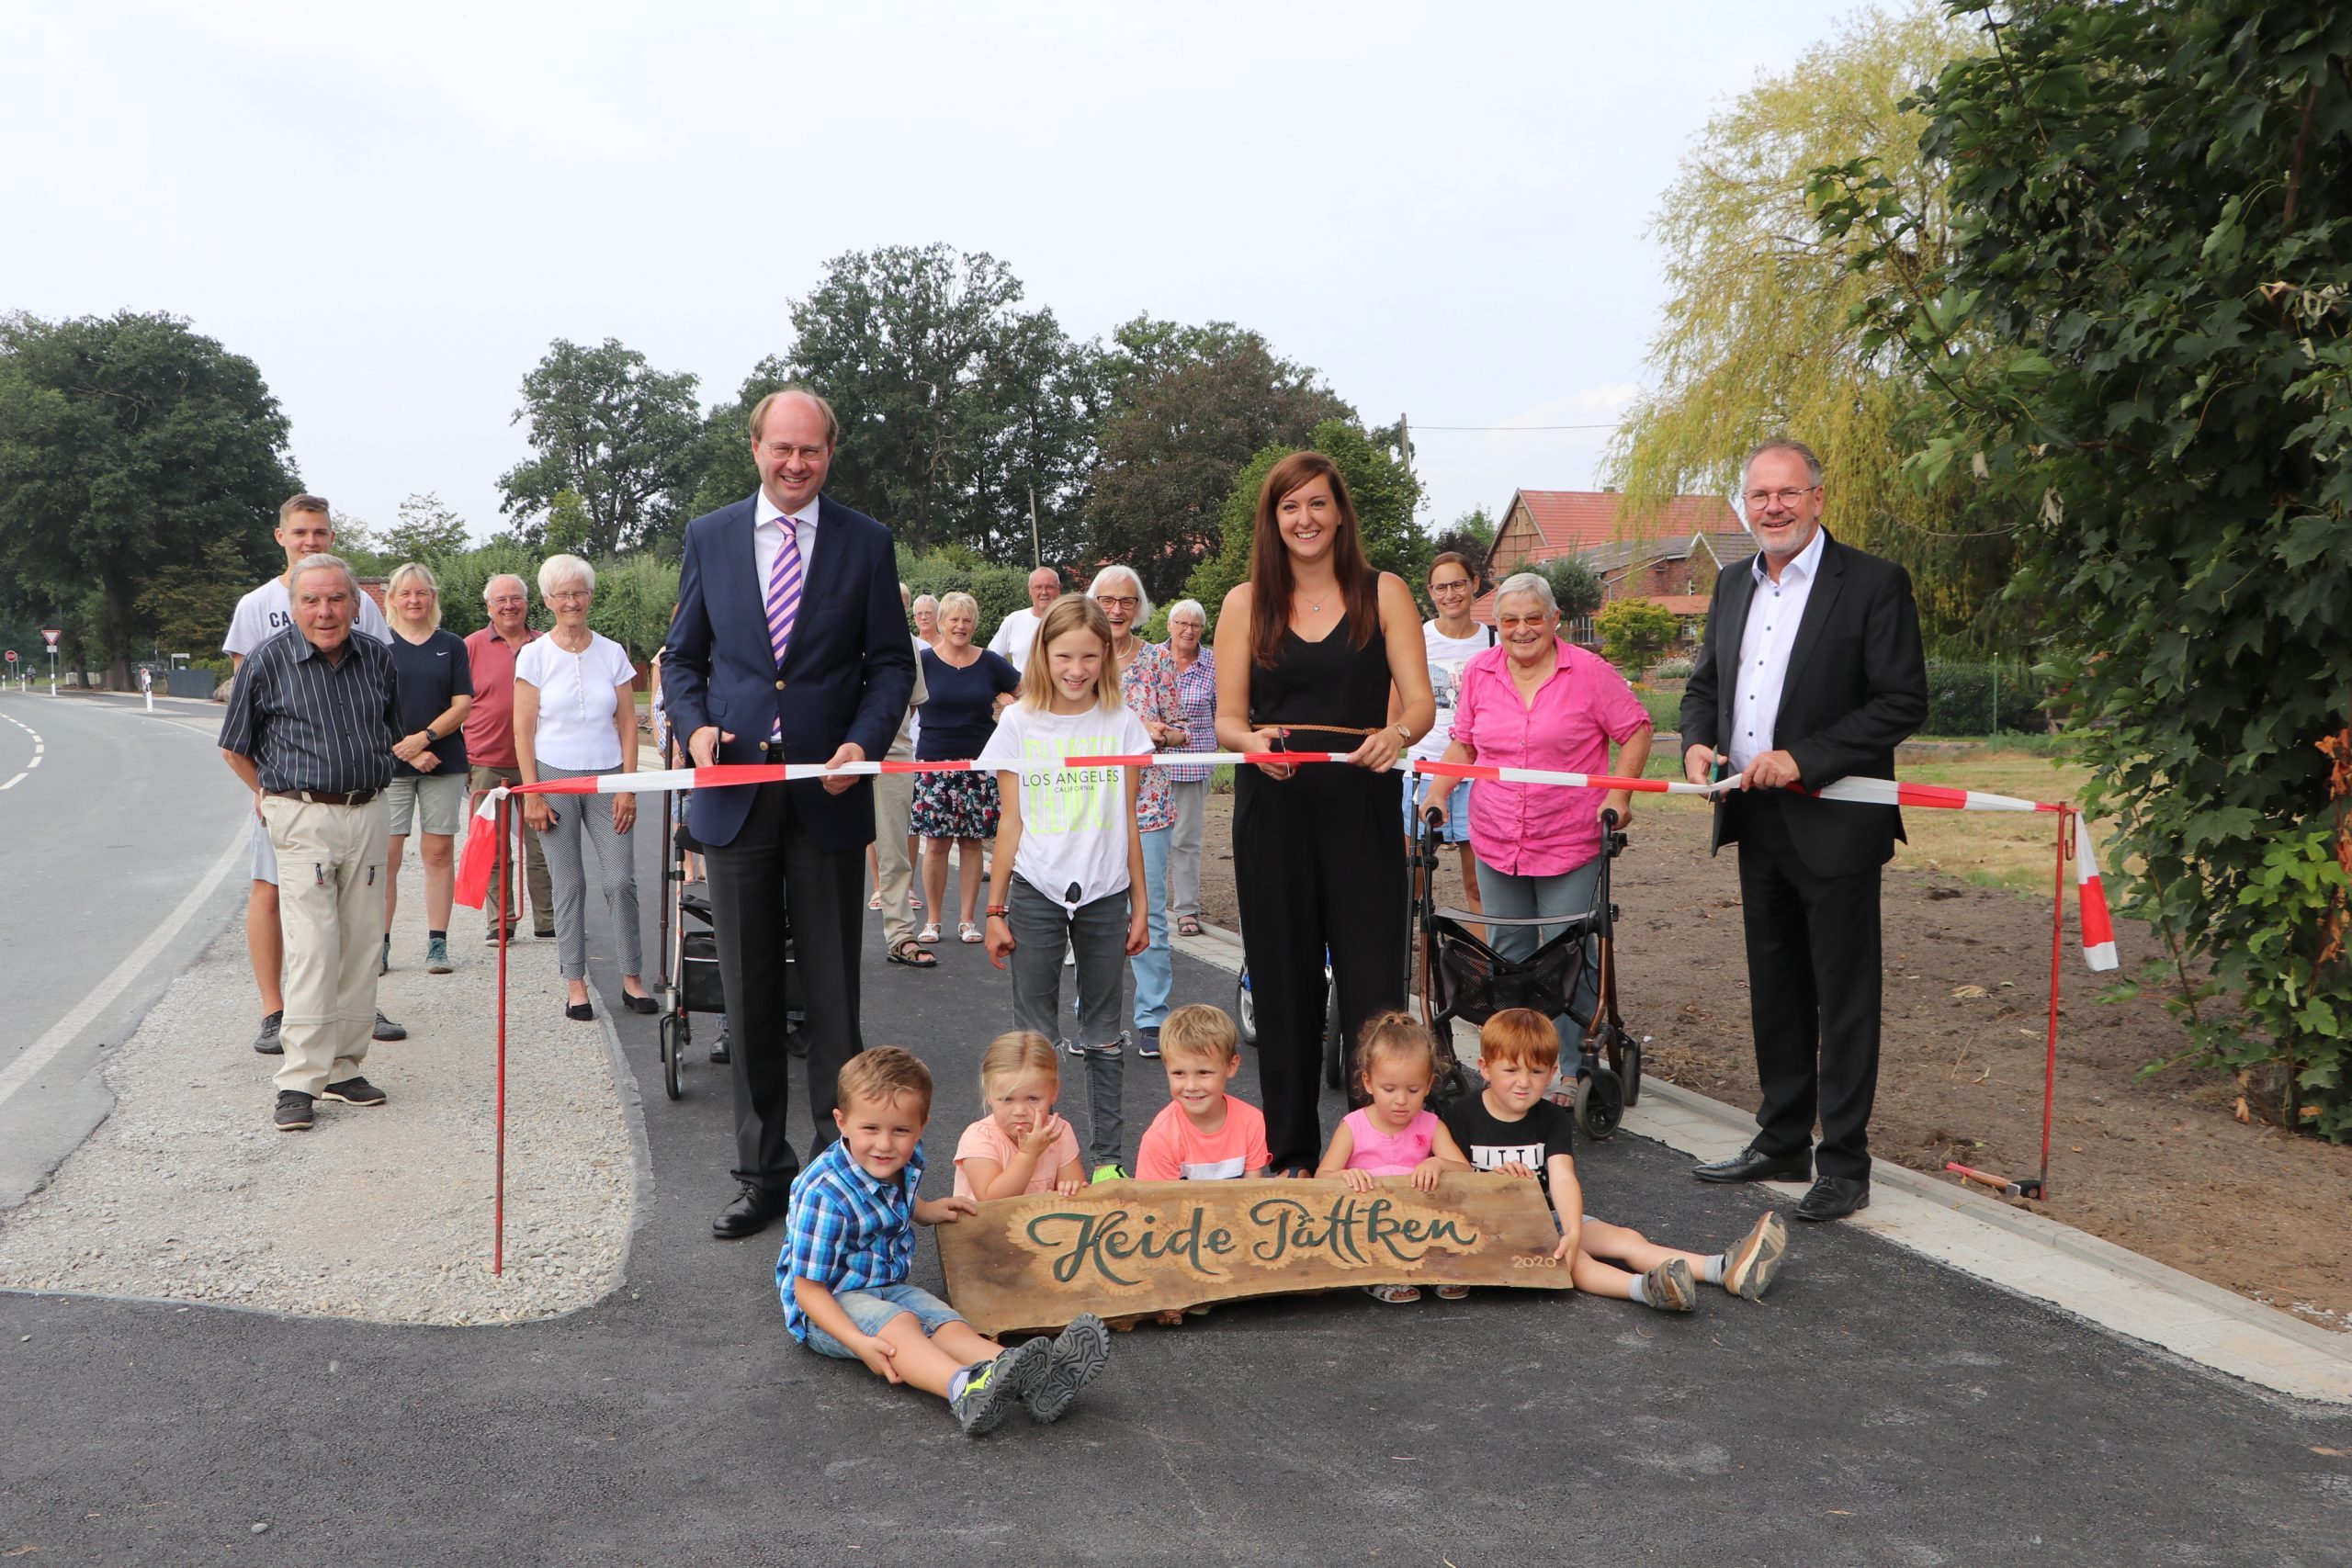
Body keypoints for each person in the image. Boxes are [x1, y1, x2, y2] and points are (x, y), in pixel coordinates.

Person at [662, 388, 918, 1241]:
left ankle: (840, 1173)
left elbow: (889, 665)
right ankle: (761, 1172)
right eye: (782, 449)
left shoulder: (866, 542)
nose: (795, 464)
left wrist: (861, 741)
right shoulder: (709, 536)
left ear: (830, 453)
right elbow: (683, 660)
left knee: (836, 1004)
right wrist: (693, 725)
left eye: (810, 451)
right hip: (735, 795)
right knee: (749, 992)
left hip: (828, 794)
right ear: (756, 448)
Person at [1681, 439, 1928, 1224]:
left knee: (1844, 996)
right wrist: (1695, 738)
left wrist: (1802, 758)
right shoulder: (1730, 584)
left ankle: (1845, 1162)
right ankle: (1782, 1136)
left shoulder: (1874, 584)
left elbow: (1901, 700)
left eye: (1788, 493)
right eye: (1759, 496)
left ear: (1819, 497)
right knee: (1777, 989)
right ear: (1744, 506)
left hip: (1839, 823)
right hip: (1756, 822)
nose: (1774, 508)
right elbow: (1703, 687)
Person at [1214, 453, 1434, 1173]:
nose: (1304, 519)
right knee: (1283, 987)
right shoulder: (1245, 602)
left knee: (1373, 988)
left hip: (1363, 812)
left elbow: (1422, 704)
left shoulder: (1387, 592)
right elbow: (1228, 719)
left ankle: (1380, 1156)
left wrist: (1396, 733)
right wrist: (1251, 743)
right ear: (1273, 520)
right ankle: (1293, 1156)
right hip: (1273, 814)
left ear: (1340, 512)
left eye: (1316, 504)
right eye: (1289, 507)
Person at [776, 1048, 1112, 1436]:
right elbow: (807, 1290)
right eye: (871, 1129)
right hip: (828, 1306)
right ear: (842, 1122)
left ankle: (1029, 1372)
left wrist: (925, 1210)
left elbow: (889, 1197)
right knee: (902, 1324)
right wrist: (858, 1343)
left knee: (946, 1322)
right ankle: (963, 1388)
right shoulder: (825, 1194)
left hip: (886, 1286)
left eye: (900, 1131)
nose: (885, 1144)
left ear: (921, 1126)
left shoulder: (898, 1159)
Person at [1430, 570, 1653, 1073]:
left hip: (1569, 838)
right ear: (1497, 624)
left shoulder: (1589, 672)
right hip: (1497, 835)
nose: (1522, 629)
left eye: (1534, 618)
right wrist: (1439, 791)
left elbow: (1636, 729)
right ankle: (1515, 1064)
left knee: (1567, 953)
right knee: (1508, 951)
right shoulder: (1481, 671)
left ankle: (1569, 1067)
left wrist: (1620, 794)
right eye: (1509, 620)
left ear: (1555, 620)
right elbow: (1465, 742)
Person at [217, 554, 401, 1132]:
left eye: (336, 599)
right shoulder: (268, 663)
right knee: (314, 948)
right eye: (312, 600)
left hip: (368, 813)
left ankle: (345, 1068)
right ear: (293, 605)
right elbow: (234, 745)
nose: (325, 612)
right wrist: (269, 798)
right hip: (302, 820)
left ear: (354, 602)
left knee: (364, 945)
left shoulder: (377, 658)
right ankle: (298, 1081)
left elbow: (391, 733)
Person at [1446, 1009, 1786, 1313]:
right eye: (1510, 1070)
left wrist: (1574, 1229)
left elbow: (1563, 1178)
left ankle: (1722, 1268)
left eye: (1536, 1071)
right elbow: (1452, 1182)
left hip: (1545, 1216)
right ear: (1485, 1069)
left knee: (1625, 1239)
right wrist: (1494, 1182)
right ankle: (1644, 1288)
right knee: (1574, 1258)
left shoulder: (1550, 1118)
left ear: (1552, 1072)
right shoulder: (1461, 1116)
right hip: (1488, 1227)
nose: (1523, 1082)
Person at [979, 595, 1152, 1180]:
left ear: (1106, 655)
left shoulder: (1121, 723)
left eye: (1088, 656)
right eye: (1063, 657)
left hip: (1106, 893)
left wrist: (1141, 904)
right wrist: (995, 908)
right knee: (1036, 1038)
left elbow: (1128, 817)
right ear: (1041, 656)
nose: (1076, 669)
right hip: (1034, 889)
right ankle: (1035, 1162)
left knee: (1104, 1035)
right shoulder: (1019, 723)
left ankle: (1106, 1164)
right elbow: (1010, 820)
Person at [514, 554, 653, 1023]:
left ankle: (632, 976)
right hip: (553, 778)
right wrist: (532, 792)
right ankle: (575, 983)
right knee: (568, 885)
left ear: (590, 597)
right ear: (548, 601)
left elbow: (628, 725)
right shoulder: (533, 655)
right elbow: (523, 730)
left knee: (621, 881)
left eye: (579, 592)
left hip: (608, 775)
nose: (571, 601)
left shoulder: (611, 652)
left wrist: (627, 786)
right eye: (562, 594)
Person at [1092, 565, 1186, 1057]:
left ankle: (1153, 1016)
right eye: (1107, 600)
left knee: (1148, 913)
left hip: (1147, 805)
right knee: (1091, 913)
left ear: (1139, 607)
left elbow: (1182, 729)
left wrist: (1159, 732)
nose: (1117, 610)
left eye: (1127, 601)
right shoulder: (1080, 654)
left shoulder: (1156, 660)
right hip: (1088, 805)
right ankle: (1097, 1019)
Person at [1313, 1014, 1472, 1303]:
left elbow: (1465, 1172)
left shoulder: (1431, 1125)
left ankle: (1434, 1270)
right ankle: (1376, 1277)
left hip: (1418, 1223)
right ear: (1368, 1082)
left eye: (1413, 1090)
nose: (1401, 1100)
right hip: (1369, 1225)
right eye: (1389, 1089)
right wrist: (1344, 1175)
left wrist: (1437, 1162)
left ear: (1428, 1085)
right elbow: (1321, 1178)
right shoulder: (1354, 1125)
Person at [379, 562, 472, 979]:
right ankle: (378, 945)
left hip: (444, 761)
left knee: (438, 853)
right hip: (391, 765)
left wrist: (427, 738)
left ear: (432, 597)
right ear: (393, 599)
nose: (413, 600)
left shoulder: (450, 644)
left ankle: (438, 943)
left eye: (421, 592)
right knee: (386, 858)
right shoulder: (377, 644)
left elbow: (462, 704)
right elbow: (370, 708)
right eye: (405, 593)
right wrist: (410, 749)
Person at [911, 591, 1021, 946]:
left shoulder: (991, 663)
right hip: (933, 764)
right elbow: (903, 709)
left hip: (980, 766)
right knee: (937, 844)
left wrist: (1015, 721)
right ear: (940, 623)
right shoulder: (924, 661)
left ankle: (968, 921)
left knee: (972, 844)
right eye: (953, 619)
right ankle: (932, 921)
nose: (960, 626)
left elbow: (1029, 694)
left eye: (967, 619)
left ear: (975, 624)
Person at [1398, 552, 1494, 933]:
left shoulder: (1494, 640)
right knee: (1412, 881)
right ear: (1430, 592)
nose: (1451, 594)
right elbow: (1395, 703)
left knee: (1479, 883)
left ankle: (1489, 971)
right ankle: (1402, 967)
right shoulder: (1416, 639)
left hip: (1478, 776)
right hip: (1423, 770)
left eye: (1458, 584)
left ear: (1474, 585)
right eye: (1441, 587)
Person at [463, 573, 555, 946]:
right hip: (487, 759)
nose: (509, 606)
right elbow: (457, 703)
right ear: (489, 606)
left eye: (516, 598)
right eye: (501, 600)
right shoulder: (470, 646)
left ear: (527, 603)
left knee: (544, 842)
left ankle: (548, 920)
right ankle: (500, 921)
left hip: (539, 759)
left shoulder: (547, 645)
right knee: (493, 846)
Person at [1134, 1004, 1269, 1182]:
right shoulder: (1161, 1138)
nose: (1191, 1086)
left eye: (1204, 1072)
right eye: (1178, 1073)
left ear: (1231, 1065)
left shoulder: (1251, 1122)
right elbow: (1156, 1204)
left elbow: (1251, 1194)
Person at [873, 587, 934, 970]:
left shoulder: (905, 643)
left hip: (892, 753)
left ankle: (900, 935)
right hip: (830, 757)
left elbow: (914, 701)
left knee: (895, 851)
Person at [953, 1032, 1084, 1199]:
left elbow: (1078, 1194)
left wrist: (1071, 1188)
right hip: (988, 1224)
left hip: (1041, 1223)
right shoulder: (979, 1138)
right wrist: (1028, 1155)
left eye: (1032, 1098)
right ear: (989, 1094)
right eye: (1007, 1099)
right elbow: (989, 1199)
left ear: (1054, 1092)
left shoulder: (1059, 1132)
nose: (1019, 1111)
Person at [1160, 600, 1216, 938]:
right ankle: (1146, 908)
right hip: (1153, 762)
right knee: (1147, 840)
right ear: (1169, 626)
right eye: (1182, 623)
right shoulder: (1152, 658)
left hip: (1195, 763)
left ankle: (1185, 910)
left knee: (1186, 840)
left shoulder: (1213, 662)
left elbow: (1221, 711)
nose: (1188, 630)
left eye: (1195, 625)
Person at [985, 566, 1063, 674]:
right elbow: (990, 659)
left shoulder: (1070, 621)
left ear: (1058, 589)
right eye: (1038, 587)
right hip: (1024, 691)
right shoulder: (1014, 621)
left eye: (1049, 587)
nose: (1043, 592)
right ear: (1030, 590)